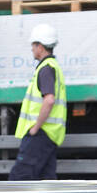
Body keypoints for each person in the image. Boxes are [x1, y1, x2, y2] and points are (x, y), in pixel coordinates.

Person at [9, 23, 67, 180]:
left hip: (41, 134)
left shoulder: (46, 68)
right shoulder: (53, 66)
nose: (32, 49)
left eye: (33, 45)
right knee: (46, 181)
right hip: (49, 134)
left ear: (40, 46)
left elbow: (49, 100)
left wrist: (35, 128)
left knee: (19, 179)